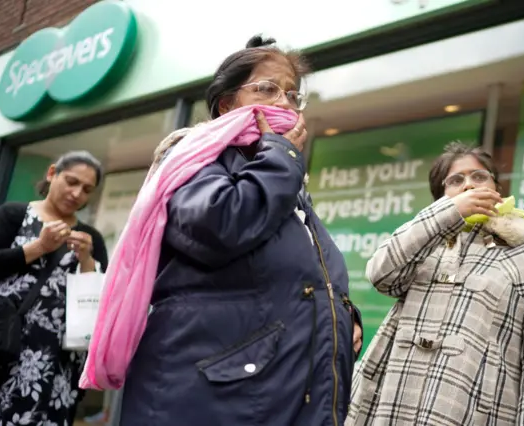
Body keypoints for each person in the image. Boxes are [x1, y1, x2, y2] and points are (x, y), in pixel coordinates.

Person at [119, 35, 363, 426]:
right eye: (266, 89)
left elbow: (293, 273)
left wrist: (340, 313)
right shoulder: (196, 157)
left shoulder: (281, 176)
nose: (284, 102)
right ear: (227, 103)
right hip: (219, 398)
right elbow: (219, 226)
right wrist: (282, 157)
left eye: (292, 93)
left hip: (276, 393)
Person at [346, 142, 524, 425]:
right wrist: (447, 215)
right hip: (390, 405)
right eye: (455, 180)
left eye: (479, 176)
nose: (468, 185)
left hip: (473, 413)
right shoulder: (422, 243)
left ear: (496, 189)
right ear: (441, 198)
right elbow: (380, 275)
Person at [0, 151, 109, 425]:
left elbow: (98, 302)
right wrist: (40, 247)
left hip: (53, 360)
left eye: (87, 189)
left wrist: (87, 260)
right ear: (52, 174)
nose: (76, 193)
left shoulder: (90, 237)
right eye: (71, 182)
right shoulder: (13, 214)